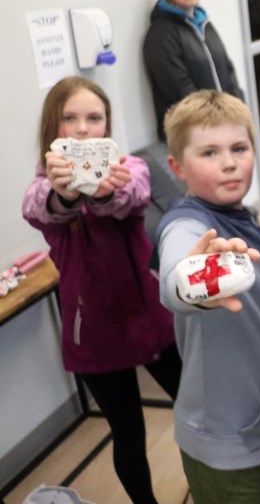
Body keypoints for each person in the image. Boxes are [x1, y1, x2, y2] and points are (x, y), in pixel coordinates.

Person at [22, 77, 181, 504]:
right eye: (69, 118)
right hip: (93, 332)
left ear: (107, 127)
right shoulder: (44, 189)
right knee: (128, 433)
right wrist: (68, 193)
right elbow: (37, 207)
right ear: (51, 128)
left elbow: (135, 192)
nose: (81, 128)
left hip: (152, 319)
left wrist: (101, 190)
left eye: (94, 118)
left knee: (193, 406)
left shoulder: (131, 167)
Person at [156, 91, 260, 504]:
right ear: (177, 166)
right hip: (231, 442)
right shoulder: (189, 221)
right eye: (209, 152)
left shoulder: (243, 216)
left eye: (239, 148)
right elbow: (175, 277)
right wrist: (194, 284)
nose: (229, 162)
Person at [143, 0, 244, 141]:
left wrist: (237, 107)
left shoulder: (204, 23)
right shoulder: (161, 33)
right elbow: (179, 87)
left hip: (224, 124)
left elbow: (227, 68)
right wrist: (214, 121)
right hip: (194, 132)